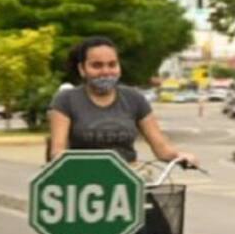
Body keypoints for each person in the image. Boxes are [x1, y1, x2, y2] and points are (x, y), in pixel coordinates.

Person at [48, 37, 197, 166]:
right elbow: (58, 151)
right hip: (81, 182)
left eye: (112, 64)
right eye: (97, 65)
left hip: (127, 180)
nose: (106, 71)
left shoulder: (135, 99)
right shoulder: (66, 100)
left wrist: (179, 156)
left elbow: (162, 148)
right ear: (82, 69)